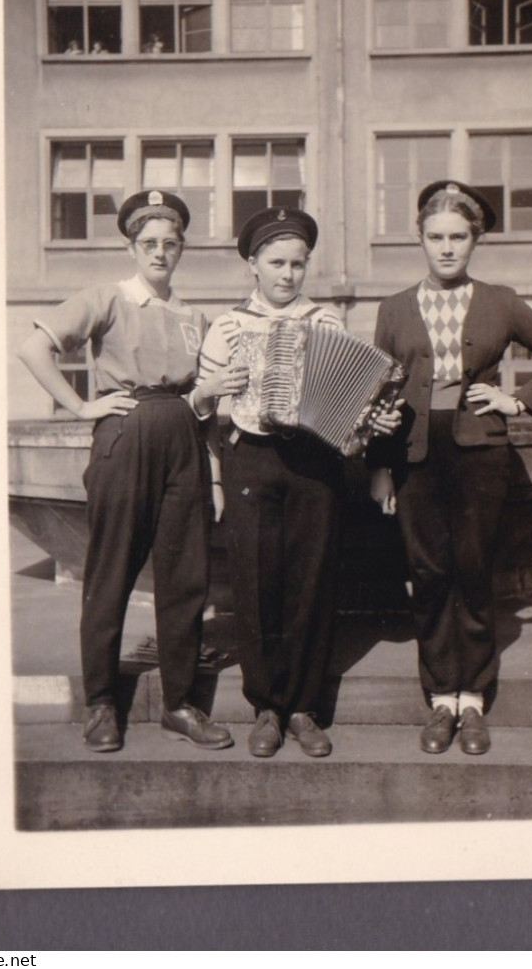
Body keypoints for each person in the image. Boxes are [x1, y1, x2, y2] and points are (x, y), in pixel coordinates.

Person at [368, 181, 532, 756]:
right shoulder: (392, 308)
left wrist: (520, 400)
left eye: (458, 237)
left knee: (475, 568)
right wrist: (381, 468)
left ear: (475, 240)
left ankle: (475, 700)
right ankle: (441, 698)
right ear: (419, 239)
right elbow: (381, 392)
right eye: (435, 237)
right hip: (416, 456)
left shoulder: (501, 300)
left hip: (480, 453)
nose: (446, 248)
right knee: (429, 572)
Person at [18, 189, 233, 754]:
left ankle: (181, 704)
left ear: (181, 248)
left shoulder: (194, 317)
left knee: (186, 578)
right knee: (110, 574)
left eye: (170, 244)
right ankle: (101, 705)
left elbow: (200, 402)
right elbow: (33, 348)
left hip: (185, 438)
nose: (160, 253)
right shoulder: (107, 298)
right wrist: (83, 406)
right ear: (132, 246)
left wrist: (211, 474)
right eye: (149, 244)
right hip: (125, 433)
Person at [192, 208, 347, 759]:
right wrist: (210, 389)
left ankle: (304, 709)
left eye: (298, 264)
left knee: (311, 582)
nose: (288, 274)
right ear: (251, 265)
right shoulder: (228, 325)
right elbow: (202, 412)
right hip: (250, 460)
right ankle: (267, 707)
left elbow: (346, 398)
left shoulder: (325, 321)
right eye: (276, 263)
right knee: (255, 585)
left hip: (313, 463)